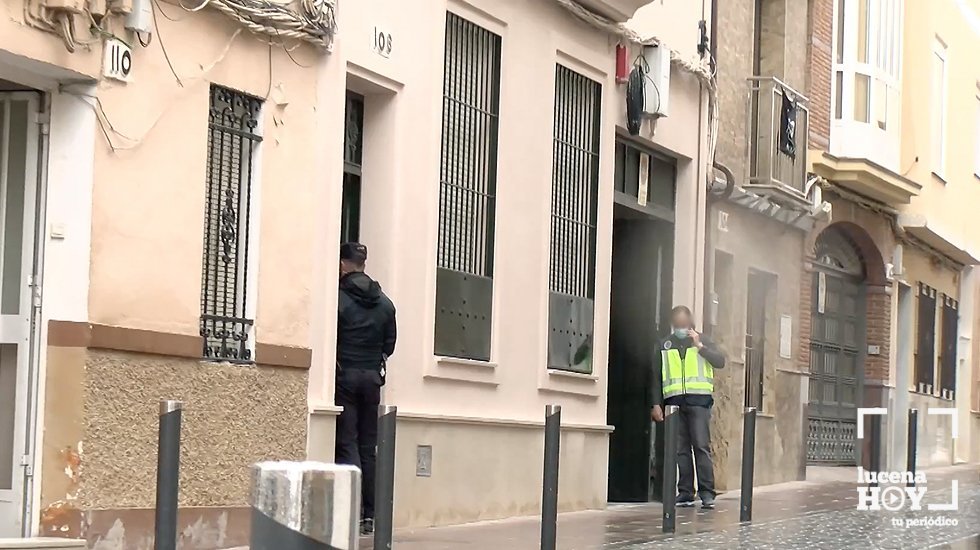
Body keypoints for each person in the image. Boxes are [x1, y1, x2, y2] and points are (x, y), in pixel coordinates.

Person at [335, 242, 397, 535]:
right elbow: (390, 345)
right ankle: (370, 515)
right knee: (368, 446)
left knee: (347, 441)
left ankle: (351, 507)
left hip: (345, 375)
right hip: (372, 377)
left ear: (344, 264)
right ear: (363, 263)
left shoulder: (338, 299)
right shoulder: (385, 303)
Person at [651, 305, 726, 509]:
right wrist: (656, 403)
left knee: (701, 447)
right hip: (674, 404)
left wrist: (700, 347)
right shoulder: (664, 344)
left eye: (684, 325)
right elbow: (656, 375)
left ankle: (707, 493)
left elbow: (720, 362)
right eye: (677, 325)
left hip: (699, 403)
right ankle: (685, 492)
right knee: (680, 450)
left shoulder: (703, 340)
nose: (681, 328)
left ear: (690, 324)